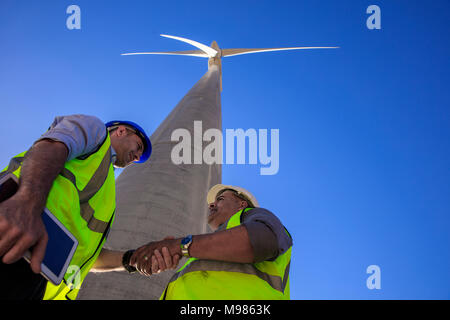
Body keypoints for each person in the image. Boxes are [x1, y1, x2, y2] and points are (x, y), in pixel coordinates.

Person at [0, 114, 175, 300]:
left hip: (38, 279)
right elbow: (51, 146)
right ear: (121, 131)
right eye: (138, 147)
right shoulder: (96, 132)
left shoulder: (107, 195)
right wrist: (27, 202)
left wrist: (130, 260)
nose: (138, 156)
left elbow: (86, 257)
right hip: (15, 237)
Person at [130, 184, 293, 300]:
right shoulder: (209, 249)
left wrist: (180, 246)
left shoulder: (254, 216)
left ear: (241, 204)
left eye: (220, 199)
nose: (212, 204)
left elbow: (262, 240)